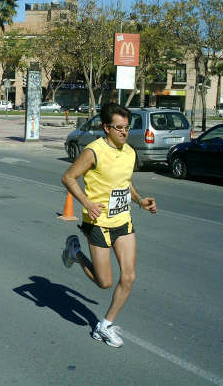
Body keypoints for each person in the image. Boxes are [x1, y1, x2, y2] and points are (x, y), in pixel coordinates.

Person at [60, 102, 157, 348]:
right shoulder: (94, 151)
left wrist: (139, 200)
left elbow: (125, 183)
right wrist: (87, 202)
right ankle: (75, 253)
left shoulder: (129, 152)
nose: (125, 132)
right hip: (98, 223)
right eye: (119, 128)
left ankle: (105, 325)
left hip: (123, 220)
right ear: (106, 128)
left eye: (127, 127)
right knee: (104, 282)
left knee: (129, 277)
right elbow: (68, 177)